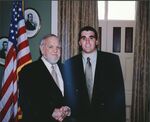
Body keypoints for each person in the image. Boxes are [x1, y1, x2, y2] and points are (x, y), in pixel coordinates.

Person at [64, 26, 126, 122]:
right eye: (84, 38)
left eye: (91, 38)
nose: (87, 42)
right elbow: (68, 96)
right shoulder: (70, 64)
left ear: (97, 41)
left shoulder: (112, 60)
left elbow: (119, 94)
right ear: (79, 43)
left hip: (106, 118)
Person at [18, 34, 71, 122]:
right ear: (42, 49)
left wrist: (68, 109)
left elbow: (71, 97)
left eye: (58, 47)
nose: (55, 50)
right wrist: (50, 112)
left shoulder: (66, 70)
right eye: (51, 47)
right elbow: (26, 102)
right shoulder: (29, 70)